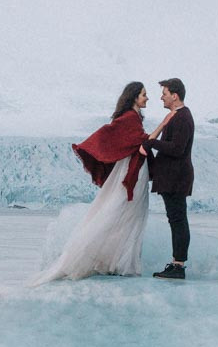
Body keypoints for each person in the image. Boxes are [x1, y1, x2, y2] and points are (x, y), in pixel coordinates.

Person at [32, 81, 154, 283]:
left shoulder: (133, 117)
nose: (147, 98)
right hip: (133, 173)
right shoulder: (130, 118)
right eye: (143, 94)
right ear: (134, 97)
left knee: (127, 214)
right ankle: (119, 262)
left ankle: (118, 261)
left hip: (135, 170)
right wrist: (164, 125)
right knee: (125, 213)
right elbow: (137, 140)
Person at [146, 77, 194, 278]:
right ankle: (177, 264)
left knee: (177, 219)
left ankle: (178, 266)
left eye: (164, 94)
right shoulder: (178, 116)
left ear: (175, 96)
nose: (161, 98)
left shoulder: (182, 117)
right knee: (176, 218)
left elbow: (176, 148)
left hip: (176, 177)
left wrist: (151, 143)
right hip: (173, 177)